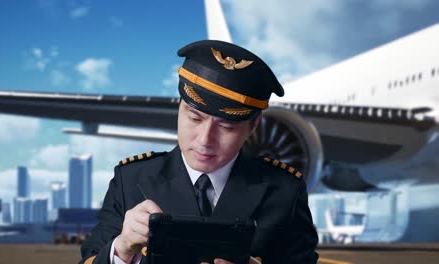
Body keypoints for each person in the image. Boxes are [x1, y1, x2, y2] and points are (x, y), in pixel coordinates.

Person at [79, 40, 319, 264]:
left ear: (253, 126)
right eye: (194, 117)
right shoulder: (130, 180)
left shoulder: (285, 191)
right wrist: (121, 249)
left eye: (226, 127)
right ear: (180, 109)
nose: (205, 140)